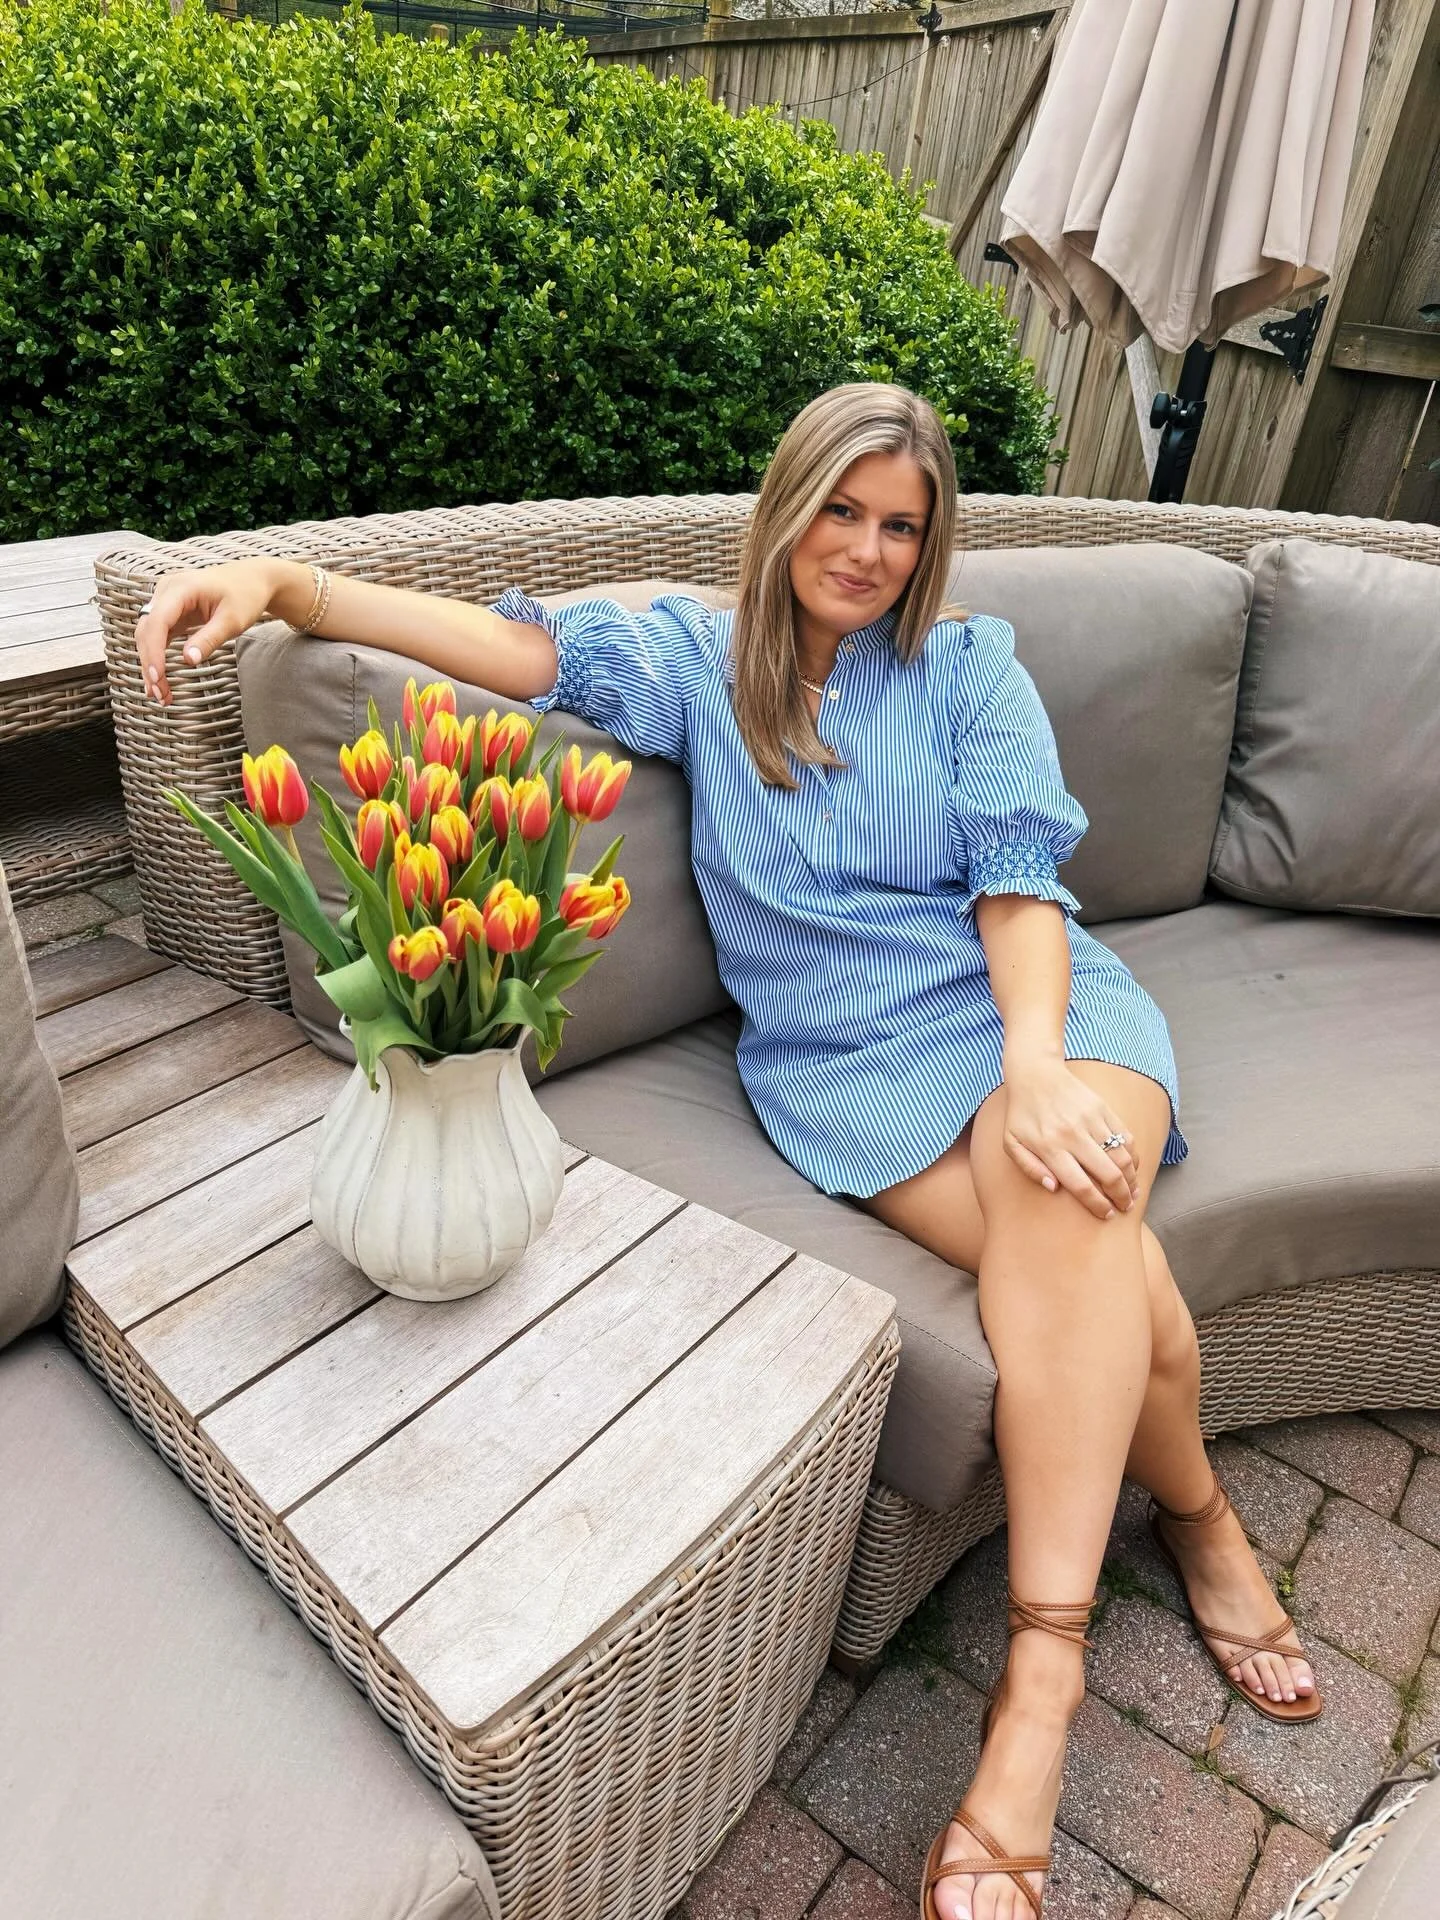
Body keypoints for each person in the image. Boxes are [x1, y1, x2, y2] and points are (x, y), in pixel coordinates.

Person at [135, 382, 1319, 1920]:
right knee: (1114, 1277)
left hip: (1038, 1013)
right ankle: (1206, 1521)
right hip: (845, 1070)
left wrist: (1034, 1068)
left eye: (904, 526)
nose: (871, 550)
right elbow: (513, 654)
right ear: (789, 507)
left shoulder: (967, 670)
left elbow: (1022, 887)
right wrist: (291, 587)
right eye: (844, 510)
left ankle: (1044, 1680)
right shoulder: (693, 657)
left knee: (1058, 1187)